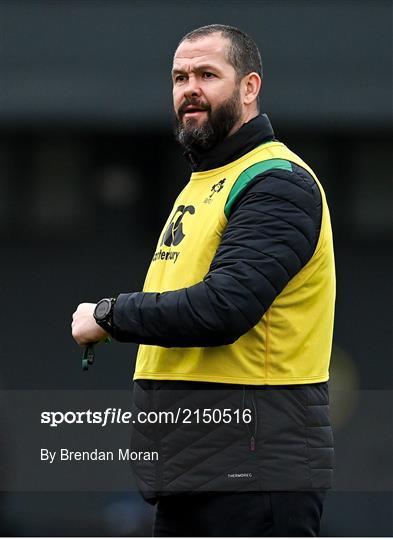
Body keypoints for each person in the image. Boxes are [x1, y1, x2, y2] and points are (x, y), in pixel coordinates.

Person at [72, 24, 335, 537]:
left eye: (207, 74)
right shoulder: (208, 180)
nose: (189, 88)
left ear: (249, 87)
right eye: (179, 77)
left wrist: (109, 315)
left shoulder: (275, 182)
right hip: (199, 473)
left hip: (253, 474)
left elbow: (223, 308)